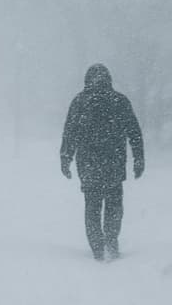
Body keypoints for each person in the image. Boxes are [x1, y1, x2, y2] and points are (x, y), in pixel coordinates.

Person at [60, 63, 145, 261]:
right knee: (114, 205)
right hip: (113, 163)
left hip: (88, 165)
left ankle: (97, 247)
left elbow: (69, 132)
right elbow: (134, 133)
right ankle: (111, 241)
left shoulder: (80, 101)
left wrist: (66, 157)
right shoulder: (120, 101)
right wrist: (138, 158)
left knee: (92, 206)